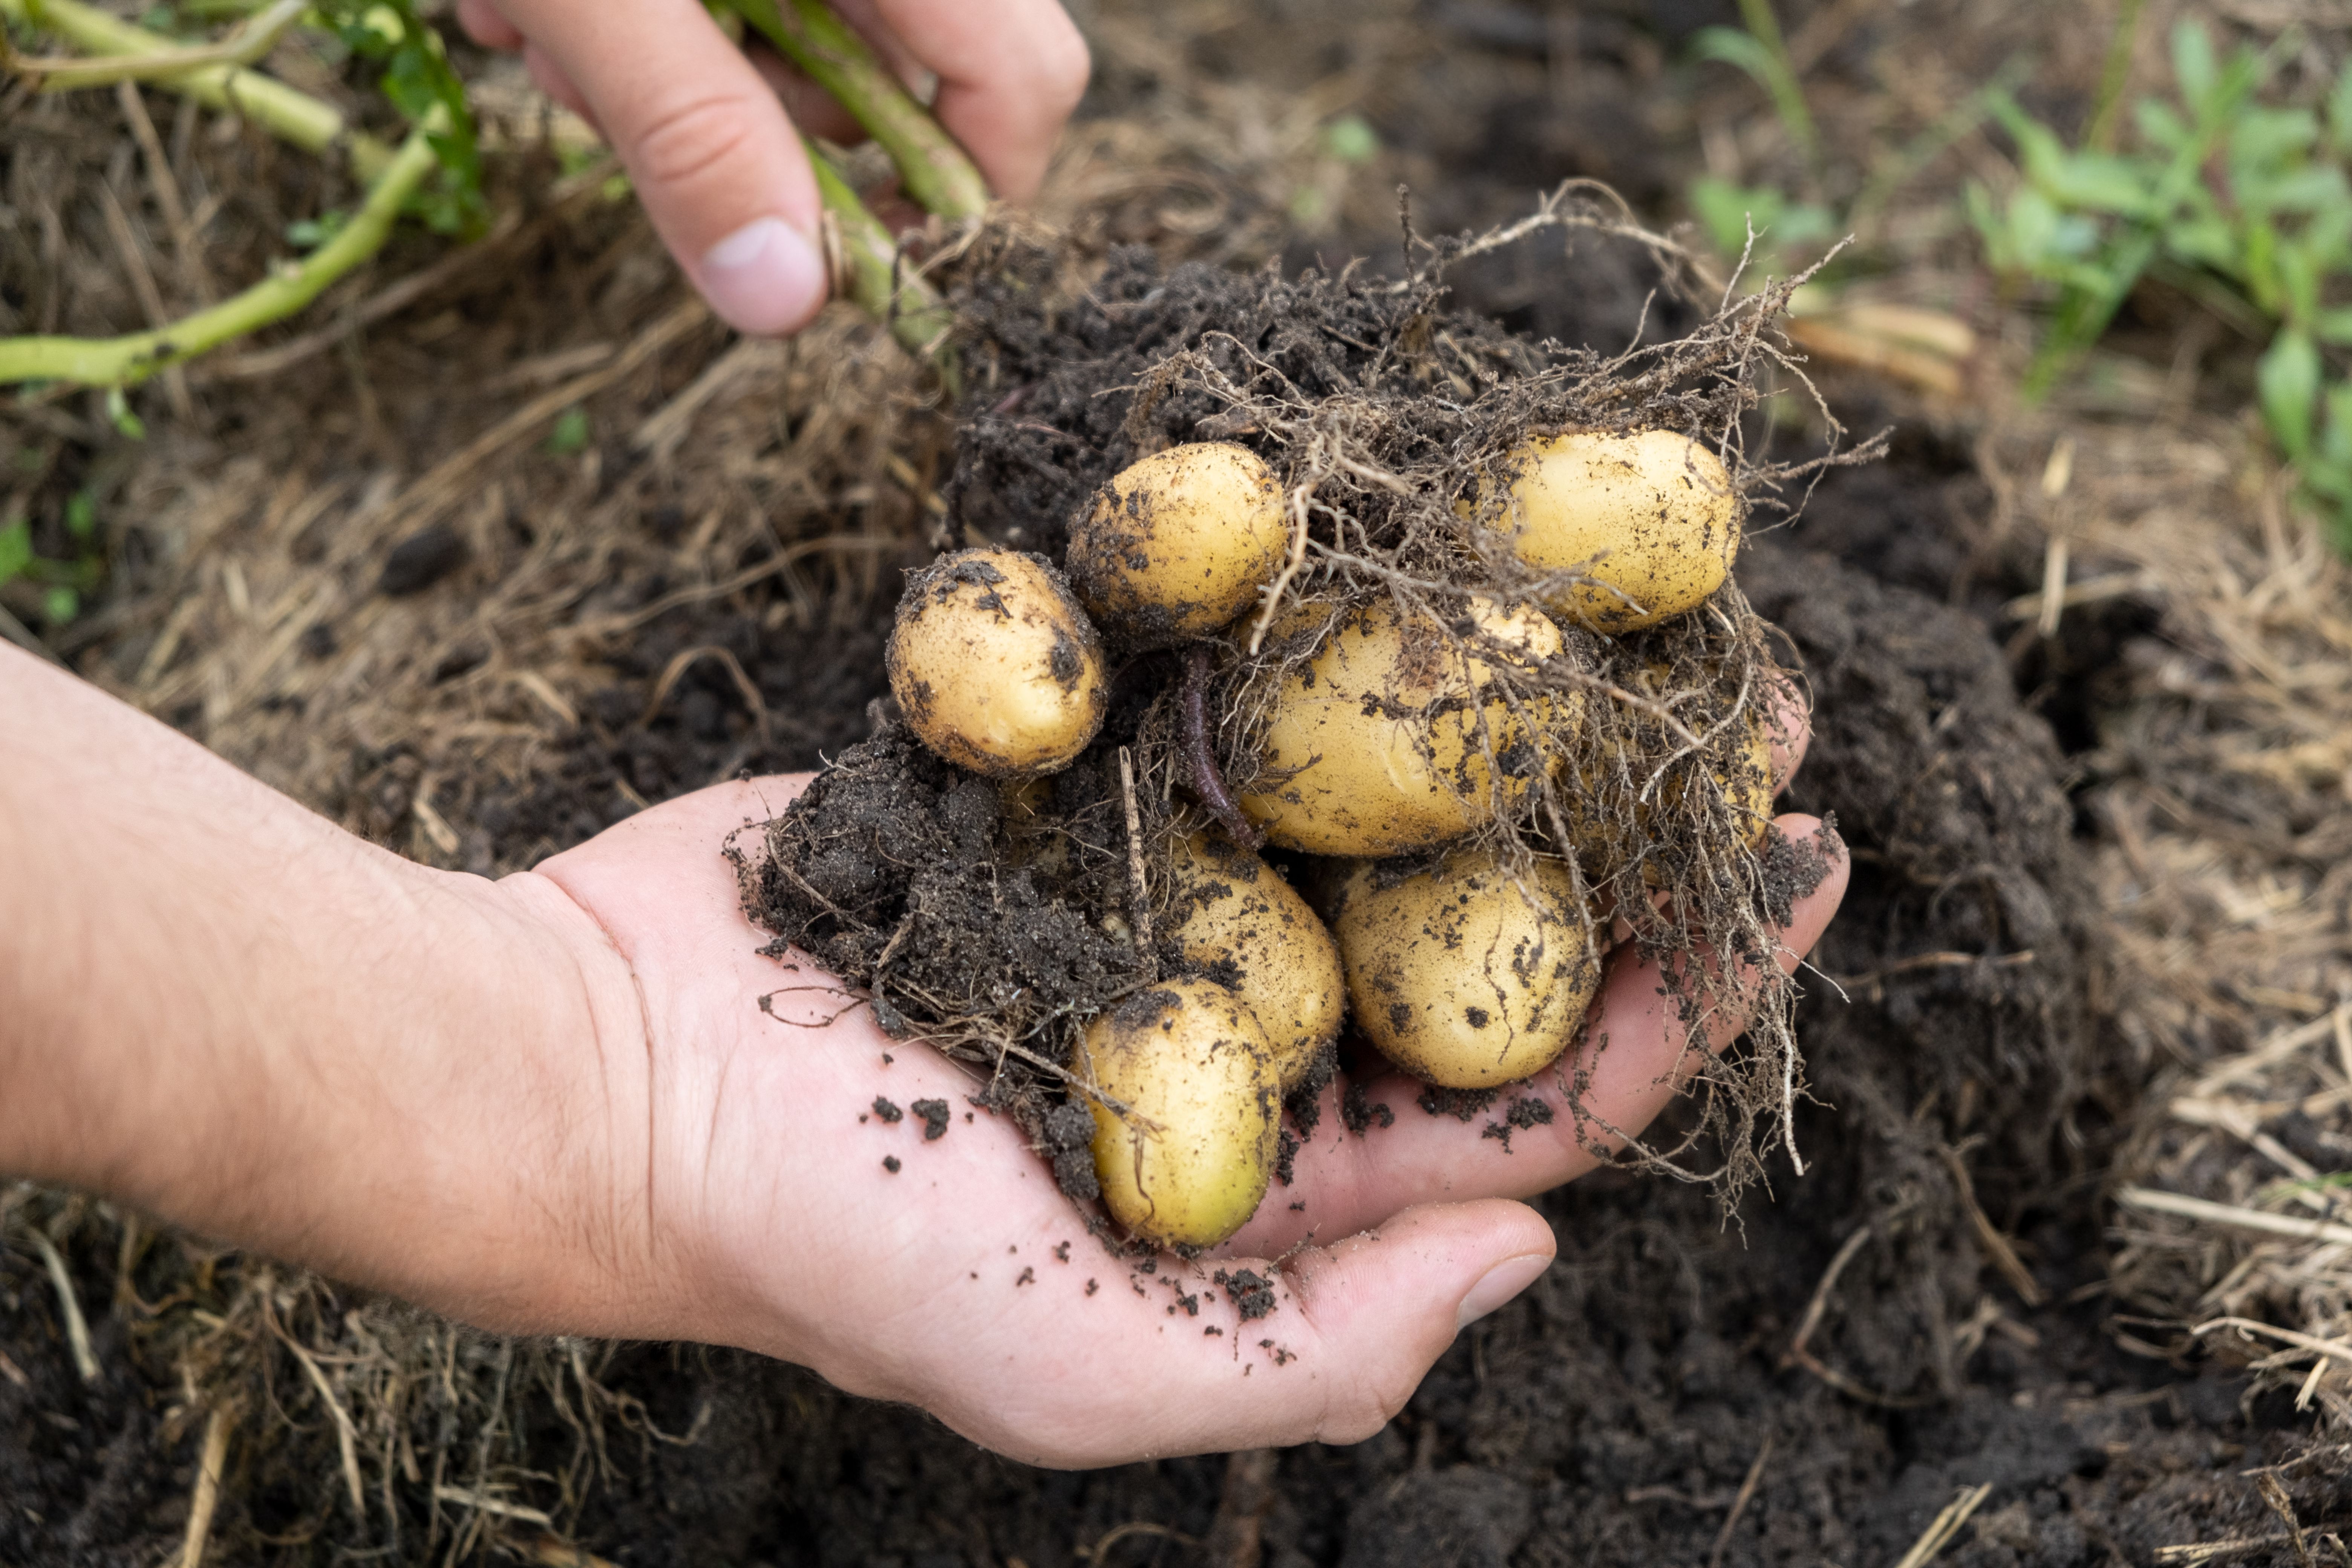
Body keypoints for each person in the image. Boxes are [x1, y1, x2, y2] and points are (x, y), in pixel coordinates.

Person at [0, 0, 1851, 1470]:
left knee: (1422, 837)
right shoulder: (1063, 644)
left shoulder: (1308, 618)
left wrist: (597, 1079)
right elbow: (1074, 669)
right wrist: (603, 1084)